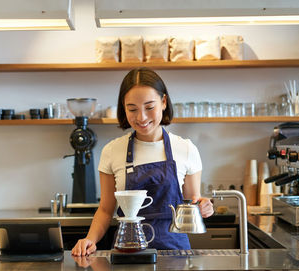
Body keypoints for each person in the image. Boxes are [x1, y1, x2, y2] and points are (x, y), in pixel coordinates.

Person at [71, 67, 214, 256]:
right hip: (127, 252)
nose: (141, 117)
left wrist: (204, 206)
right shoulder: (112, 151)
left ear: (163, 102)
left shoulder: (186, 149)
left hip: (175, 254)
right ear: (124, 108)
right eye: (132, 109)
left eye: (149, 107)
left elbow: (192, 203)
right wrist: (90, 239)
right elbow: (106, 210)